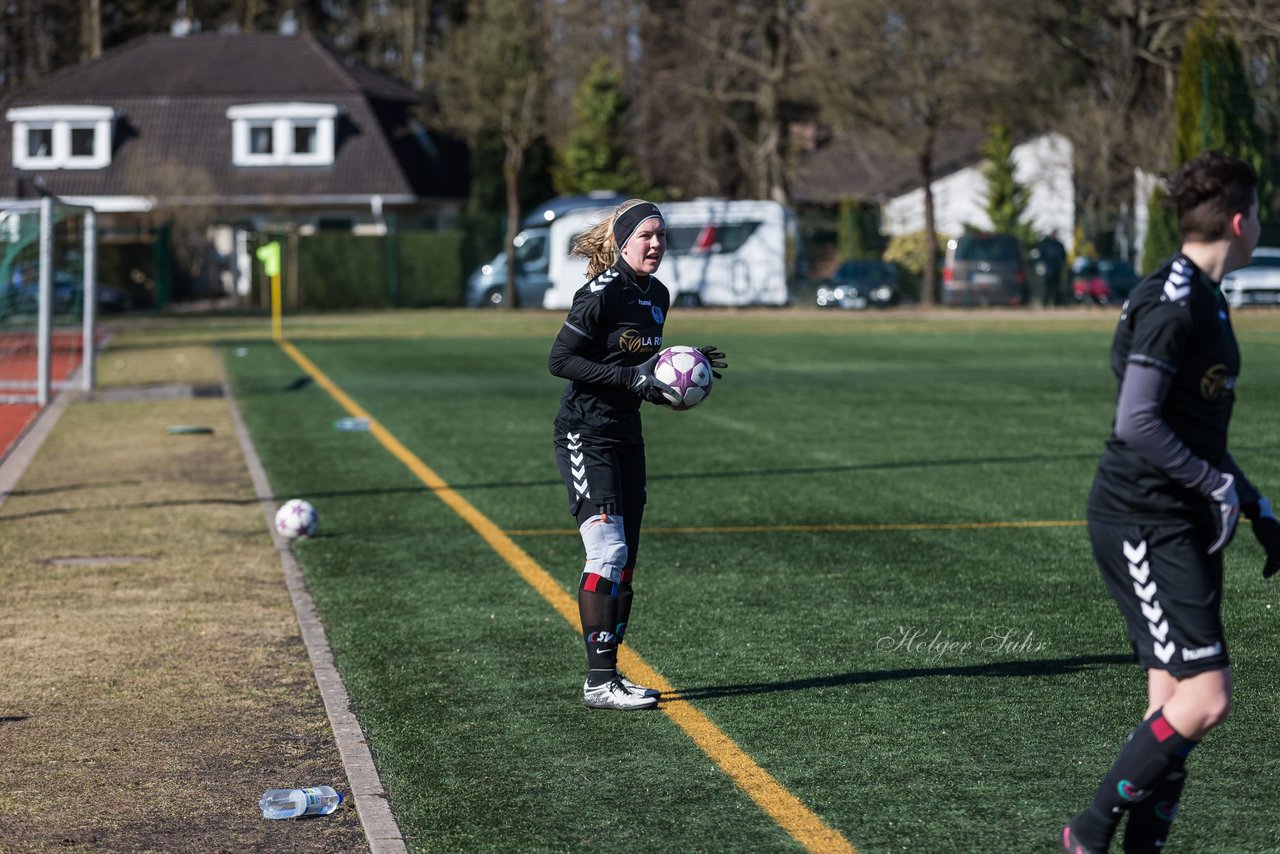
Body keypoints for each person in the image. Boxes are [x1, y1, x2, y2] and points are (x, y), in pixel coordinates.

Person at [1062, 151, 1280, 853]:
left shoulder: (1203, 293)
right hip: (1143, 520)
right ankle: (1087, 835)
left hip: (1179, 519)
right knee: (1206, 697)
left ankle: (1139, 850)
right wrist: (1217, 487)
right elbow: (1137, 422)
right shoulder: (1174, 301)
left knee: (1171, 704)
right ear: (1242, 223)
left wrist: (1253, 503)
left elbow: (1194, 428)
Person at [548, 199, 726, 711]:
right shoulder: (601, 292)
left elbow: (634, 361)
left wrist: (677, 365)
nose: (655, 244)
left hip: (627, 434)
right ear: (623, 242)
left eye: (661, 236)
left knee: (625, 563)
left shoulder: (659, 295)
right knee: (607, 553)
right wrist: (633, 376)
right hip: (585, 434)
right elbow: (561, 360)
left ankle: (612, 676)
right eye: (645, 235)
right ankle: (598, 683)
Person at [1032, 230, 1067, 306]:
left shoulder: (1059, 245)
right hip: (1048, 269)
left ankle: (1057, 303)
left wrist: (1062, 264)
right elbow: (1040, 256)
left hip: (1057, 269)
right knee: (1047, 287)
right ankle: (1045, 303)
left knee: (1057, 287)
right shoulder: (1045, 244)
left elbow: (1064, 256)